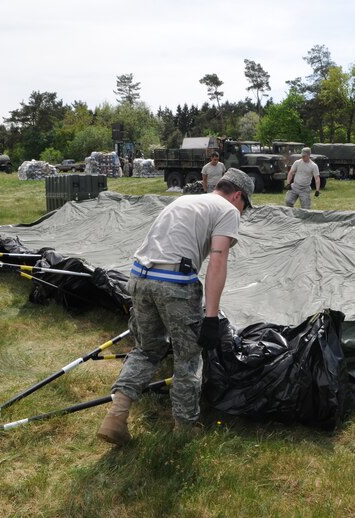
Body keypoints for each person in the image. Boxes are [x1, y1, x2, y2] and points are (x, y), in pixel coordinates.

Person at [97, 167, 254, 445]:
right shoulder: (227, 211)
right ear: (237, 196)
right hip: (176, 285)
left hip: (139, 278)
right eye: (244, 206)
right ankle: (184, 429)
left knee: (146, 350)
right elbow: (218, 261)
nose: (242, 213)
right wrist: (211, 317)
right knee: (188, 358)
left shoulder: (184, 200)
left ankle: (116, 416)